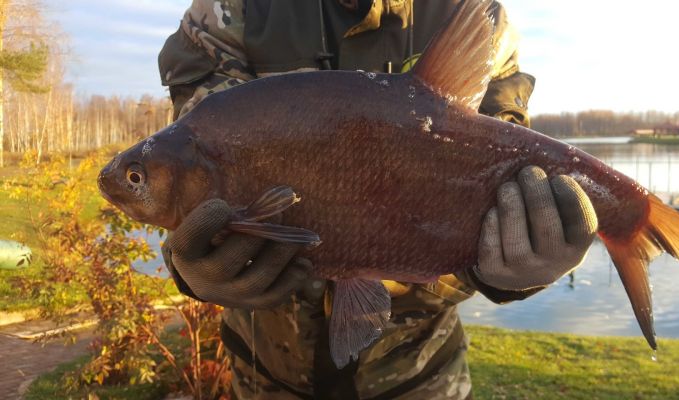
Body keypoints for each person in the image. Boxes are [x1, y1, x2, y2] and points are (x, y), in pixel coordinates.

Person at [158, 1, 598, 398]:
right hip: (266, 375)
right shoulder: (233, 9)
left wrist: (513, 271)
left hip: (420, 375)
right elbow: (195, 162)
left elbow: (498, 175)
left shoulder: (471, 12)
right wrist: (193, 261)